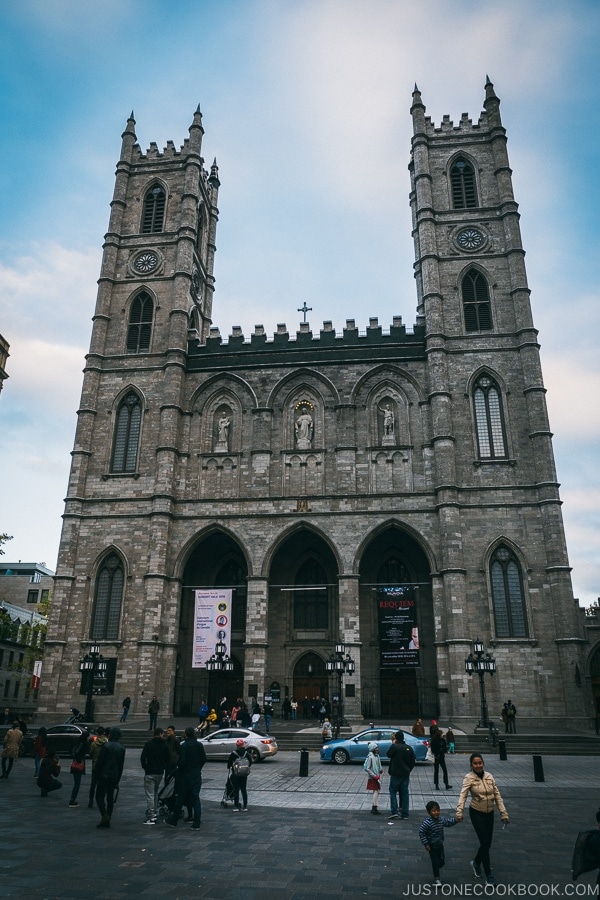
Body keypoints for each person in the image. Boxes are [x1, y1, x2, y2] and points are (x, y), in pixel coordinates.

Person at [455, 752, 509, 886]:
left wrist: (503, 813)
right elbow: (463, 795)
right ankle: (489, 875)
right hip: (476, 813)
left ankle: (476, 862)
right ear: (471, 765)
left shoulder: (489, 776)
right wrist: (459, 812)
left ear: (483, 763)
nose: (478, 765)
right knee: (484, 842)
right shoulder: (469, 778)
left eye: (480, 763)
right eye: (475, 763)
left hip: (489, 813)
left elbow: (497, 795)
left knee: (487, 844)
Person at [166, 725, 207, 830]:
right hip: (196, 775)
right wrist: (198, 768)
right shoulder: (199, 745)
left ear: (187, 734)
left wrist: (180, 769)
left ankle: (174, 821)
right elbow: (203, 759)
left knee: (180, 798)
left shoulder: (184, 746)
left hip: (185, 776)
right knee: (195, 798)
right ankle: (196, 823)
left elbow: (182, 762)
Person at [419, 800, 459, 885]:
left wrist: (456, 820)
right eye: (434, 811)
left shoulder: (441, 820)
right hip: (432, 846)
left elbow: (448, 822)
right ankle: (437, 878)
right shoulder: (427, 823)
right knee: (435, 862)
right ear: (429, 813)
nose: (436, 812)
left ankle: (439, 866)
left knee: (441, 861)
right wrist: (426, 844)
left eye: (438, 810)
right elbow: (421, 832)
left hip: (440, 845)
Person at [95, 727, 126, 829]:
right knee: (110, 797)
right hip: (114, 776)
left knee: (99, 796)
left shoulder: (106, 746)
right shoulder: (122, 748)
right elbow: (121, 765)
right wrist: (118, 779)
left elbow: (100, 761)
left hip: (103, 774)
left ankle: (104, 815)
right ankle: (108, 819)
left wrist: (96, 774)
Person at [141, 726, 170, 825]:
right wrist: (163, 767)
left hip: (150, 772)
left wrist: (146, 768)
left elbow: (143, 758)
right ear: (161, 734)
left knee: (150, 794)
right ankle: (154, 812)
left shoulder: (149, 744)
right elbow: (168, 758)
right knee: (155, 792)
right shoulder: (165, 745)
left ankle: (152, 815)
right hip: (160, 772)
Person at [386, 730, 416, 820]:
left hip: (395, 773)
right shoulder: (409, 748)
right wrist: (408, 770)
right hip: (405, 774)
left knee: (393, 791)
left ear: (396, 739)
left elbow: (388, 754)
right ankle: (405, 813)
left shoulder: (395, 747)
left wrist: (393, 744)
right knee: (404, 793)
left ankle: (394, 811)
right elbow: (413, 761)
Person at [228, 737, 252, 811]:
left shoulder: (234, 753)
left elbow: (229, 763)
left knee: (236, 790)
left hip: (236, 774)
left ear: (237, 745)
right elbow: (250, 762)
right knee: (243, 790)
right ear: (243, 745)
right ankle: (245, 806)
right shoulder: (246, 753)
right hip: (244, 774)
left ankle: (236, 806)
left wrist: (231, 767)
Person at [87, 725, 108, 808]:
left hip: (95, 766)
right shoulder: (106, 743)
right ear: (103, 733)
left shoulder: (94, 744)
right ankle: (102, 801)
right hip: (103, 767)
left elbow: (90, 754)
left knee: (93, 784)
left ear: (97, 733)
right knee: (102, 785)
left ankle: (91, 800)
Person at [69, 730, 89, 807]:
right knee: (77, 784)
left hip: (76, 765)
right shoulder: (82, 744)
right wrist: (80, 760)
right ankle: (72, 800)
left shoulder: (79, 743)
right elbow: (77, 753)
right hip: (78, 766)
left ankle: (73, 799)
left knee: (77, 783)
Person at [364, 741, 383, 815]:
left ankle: (374, 806)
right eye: (376, 748)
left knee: (376, 791)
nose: (377, 749)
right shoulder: (370, 757)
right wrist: (374, 776)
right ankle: (374, 807)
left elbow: (378, 765)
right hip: (373, 777)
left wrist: (380, 770)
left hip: (376, 775)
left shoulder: (377, 756)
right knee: (376, 790)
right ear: (373, 749)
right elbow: (368, 768)